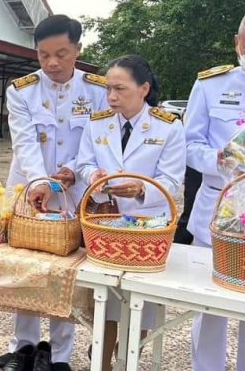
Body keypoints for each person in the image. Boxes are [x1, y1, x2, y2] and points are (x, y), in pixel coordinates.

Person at [0, 14, 108, 371]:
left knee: (68, 271)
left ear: (78, 49)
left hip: (74, 193)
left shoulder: (97, 90)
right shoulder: (22, 89)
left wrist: (73, 171)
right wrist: (39, 182)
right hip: (31, 188)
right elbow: (25, 141)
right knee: (27, 267)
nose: (52, 63)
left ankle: (59, 353)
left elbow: (97, 140)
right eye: (44, 55)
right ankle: (24, 345)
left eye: (61, 53)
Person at [76, 54, 185, 370]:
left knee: (142, 300)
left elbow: (172, 179)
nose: (111, 97)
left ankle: (128, 357)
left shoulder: (168, 127)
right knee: (105, 296)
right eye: (109, 89)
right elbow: (84, 163)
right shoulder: (98, 123)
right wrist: (93, 177)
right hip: (106, 222)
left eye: (120, 89)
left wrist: (141, 189)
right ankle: (102, 360)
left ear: (144, 89)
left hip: (148, 223)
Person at [186, 5, 245, 371]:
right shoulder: (211, 84)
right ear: (237, 44)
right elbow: (189, 145)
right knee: (209, 307)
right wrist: (219, 159)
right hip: (217, 211)